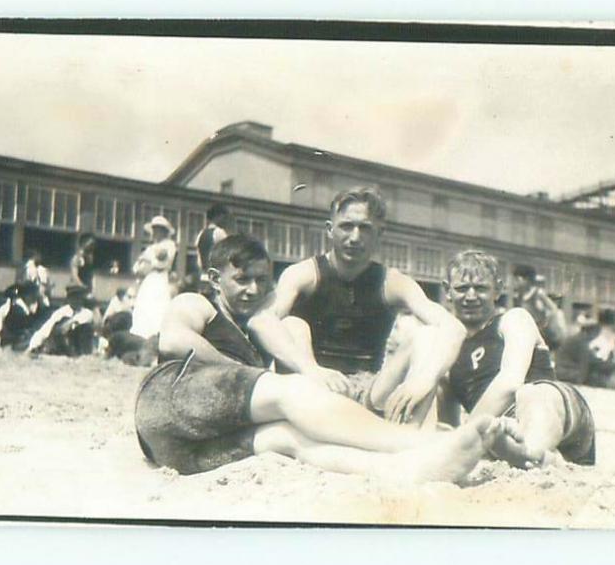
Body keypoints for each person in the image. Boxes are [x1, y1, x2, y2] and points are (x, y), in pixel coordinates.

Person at [139, 234, 504, 481]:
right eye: (242, 279)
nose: (254, 289)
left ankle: (406, 469)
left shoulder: (251, 331)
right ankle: (419, 443)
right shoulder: (198, 303)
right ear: (216, 279)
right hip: (169, 402)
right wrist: (248, 374)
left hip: (187, 450)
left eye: (262, 280)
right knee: (290, 390)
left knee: (293, 441)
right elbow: (173, 340)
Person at [247, 187, 467, 426]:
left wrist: (424, 379)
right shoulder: (304, 274)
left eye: (365, 228)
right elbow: (261, 321)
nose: (354, 237)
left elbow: (453, 328)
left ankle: (413, 437)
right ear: (330, 230)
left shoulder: (392, 282)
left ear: (379, 233)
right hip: (312, 385)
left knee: (427, 335)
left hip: (369, 391)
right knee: (292, 324)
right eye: (346, 226)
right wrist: (312, 370)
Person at [440, 250, 596, 468]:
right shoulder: (449, 346)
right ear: (447, 291)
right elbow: (447, 417)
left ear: (498, 290)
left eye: (481, 288)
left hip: (554, 414)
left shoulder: (513, 320)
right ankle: (534, 457)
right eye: (462, 288)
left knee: (530, 393)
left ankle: (531, 452)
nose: (471, 296)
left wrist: (465, 435)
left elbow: (510, 382)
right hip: (502, 432)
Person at [130, 215, 177, 339]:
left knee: (159, 306)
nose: (156, 232)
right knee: (144, 305)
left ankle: (157, 335)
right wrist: (144, 264)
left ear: (165, 231)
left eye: (159, 229)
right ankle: (141, 336)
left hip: (160, 278)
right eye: (155, 229)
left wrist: (149, 262)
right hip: (148, 279)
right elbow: (137, 266)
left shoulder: (169, 245)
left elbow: (163, 263)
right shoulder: (150, 248)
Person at [27, 284, 94, 356]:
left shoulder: (87, 313)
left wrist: (69, 323)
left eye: (79, 298)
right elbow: (45, 329)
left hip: (80, 345)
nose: (76, 300)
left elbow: (81, 321)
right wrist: (33, 345)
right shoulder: (60, 312)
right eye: (73, 298)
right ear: (68, 299)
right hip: (62, 344)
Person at [512, 264, 567, 350]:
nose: (515, 282)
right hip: (526, 332)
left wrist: (545, 323)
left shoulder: (538, 294)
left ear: (526, 280)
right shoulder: (519, 296)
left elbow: (554, 310)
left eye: (518, 279)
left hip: (541, 334)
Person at [0, 281, 44, 351]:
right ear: (27, 296)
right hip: (2, 344)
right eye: (34, 296)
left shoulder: (17, 307)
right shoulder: (17, 310)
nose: (36, 300)